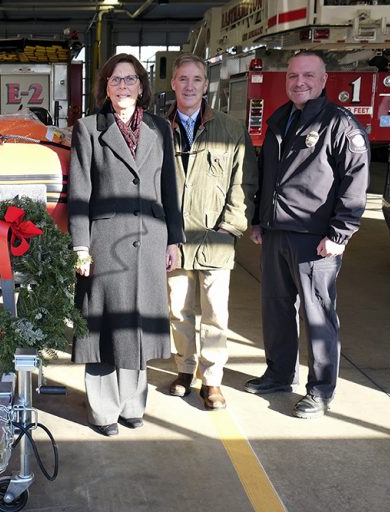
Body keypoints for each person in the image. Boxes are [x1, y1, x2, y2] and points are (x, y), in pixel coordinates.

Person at [245, 51, 369, 419]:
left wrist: (340, 233)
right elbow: (267, 173)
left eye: (308, 76)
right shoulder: (281, 118)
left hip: (315, 240)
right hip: (276, 231)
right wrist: (258, 220)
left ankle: (320, 390)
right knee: (276, 309)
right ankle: (280, 374)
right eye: (294, 76)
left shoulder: (339, 124)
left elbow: (355, 182)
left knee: (318, 315)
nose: (300, 82)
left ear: (324, 79)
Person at [68, 53, 184, 436]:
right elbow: (80, 191)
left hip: (149, 241)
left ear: (141, 85)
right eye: (115, 80)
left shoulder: (158, 128)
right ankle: (103, 411)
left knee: (138, 324)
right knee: (104, 326)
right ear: (105, 86)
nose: (122, 86)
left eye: (129, 79)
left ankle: (133, 405)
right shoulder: (88, 129)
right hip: (105, 243)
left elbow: (170, 189)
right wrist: (80, 246)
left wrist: (174, 240)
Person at [165, 54, 258, 409]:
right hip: (175, 240)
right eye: (183, 79)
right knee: (178, 310)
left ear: (207, 85)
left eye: (197, 80)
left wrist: (231, 225)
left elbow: (244, 180)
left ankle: (213, 378)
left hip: (216, 238)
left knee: (216, 313)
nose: (189, 86)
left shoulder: (231, 129)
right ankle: (185, 370)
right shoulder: (160, 129)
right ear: (173, 84)